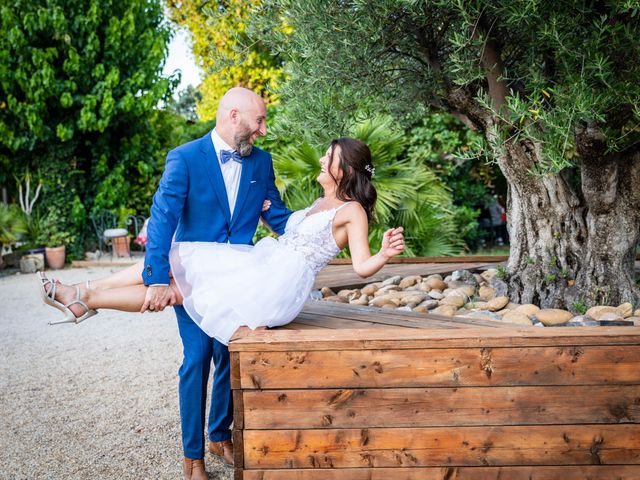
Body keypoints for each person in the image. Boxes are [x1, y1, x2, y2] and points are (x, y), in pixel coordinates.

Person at [39, 135, 405, 478]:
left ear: (346, 170)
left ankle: (85, 293)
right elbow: (288, 226)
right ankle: (85, 297)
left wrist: (384, 255)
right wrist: (266, 212)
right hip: (266, 267)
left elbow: (360, 266)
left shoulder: (352, 210)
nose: (323, 159)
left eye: (330, 156)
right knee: (177, 271)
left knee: (180, 267)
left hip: (276, 283)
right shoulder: (319, 204)